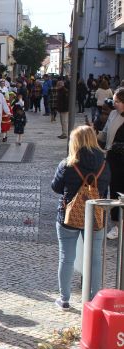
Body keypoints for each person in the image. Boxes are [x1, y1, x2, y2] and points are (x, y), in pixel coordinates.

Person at [51, 126, 110, 309]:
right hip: (96, 216)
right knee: (95, 258)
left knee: (66, 257)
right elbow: (105, 187)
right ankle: (94, 298)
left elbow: (56, 187)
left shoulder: (68, 164)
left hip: (69, 216)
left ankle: (64, 299)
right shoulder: (104, 164)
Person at [98, 88, 124, 240]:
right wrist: (93, 134)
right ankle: (116, 225)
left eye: (118, 102)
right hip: (112, 158)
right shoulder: (113, 114)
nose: (114, 104)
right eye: (114, 101)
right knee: (114, 190)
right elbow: (105, 134)